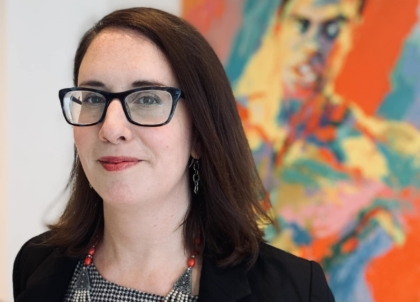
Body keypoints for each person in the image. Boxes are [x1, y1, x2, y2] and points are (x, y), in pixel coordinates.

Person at [13, 7, 335, 302]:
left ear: (198, 133)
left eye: (148, 99)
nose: (111, 128)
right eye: (94, 98)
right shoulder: (34, 265)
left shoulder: (294, 290)